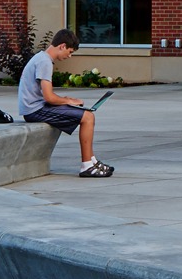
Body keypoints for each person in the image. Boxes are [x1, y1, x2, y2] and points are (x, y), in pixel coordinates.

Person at [18, 29, 114, 177]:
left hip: (36, 107)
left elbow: (46, 95)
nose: (69, 56)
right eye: (69, 52)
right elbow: (49, 97)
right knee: (88, 117)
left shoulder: (41, 58)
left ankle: (92, 161)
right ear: (62, 46)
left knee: (86, 114)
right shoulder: (45, 62)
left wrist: (66, 101)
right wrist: (68, 101)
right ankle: (87, 166)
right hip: (34, 110)